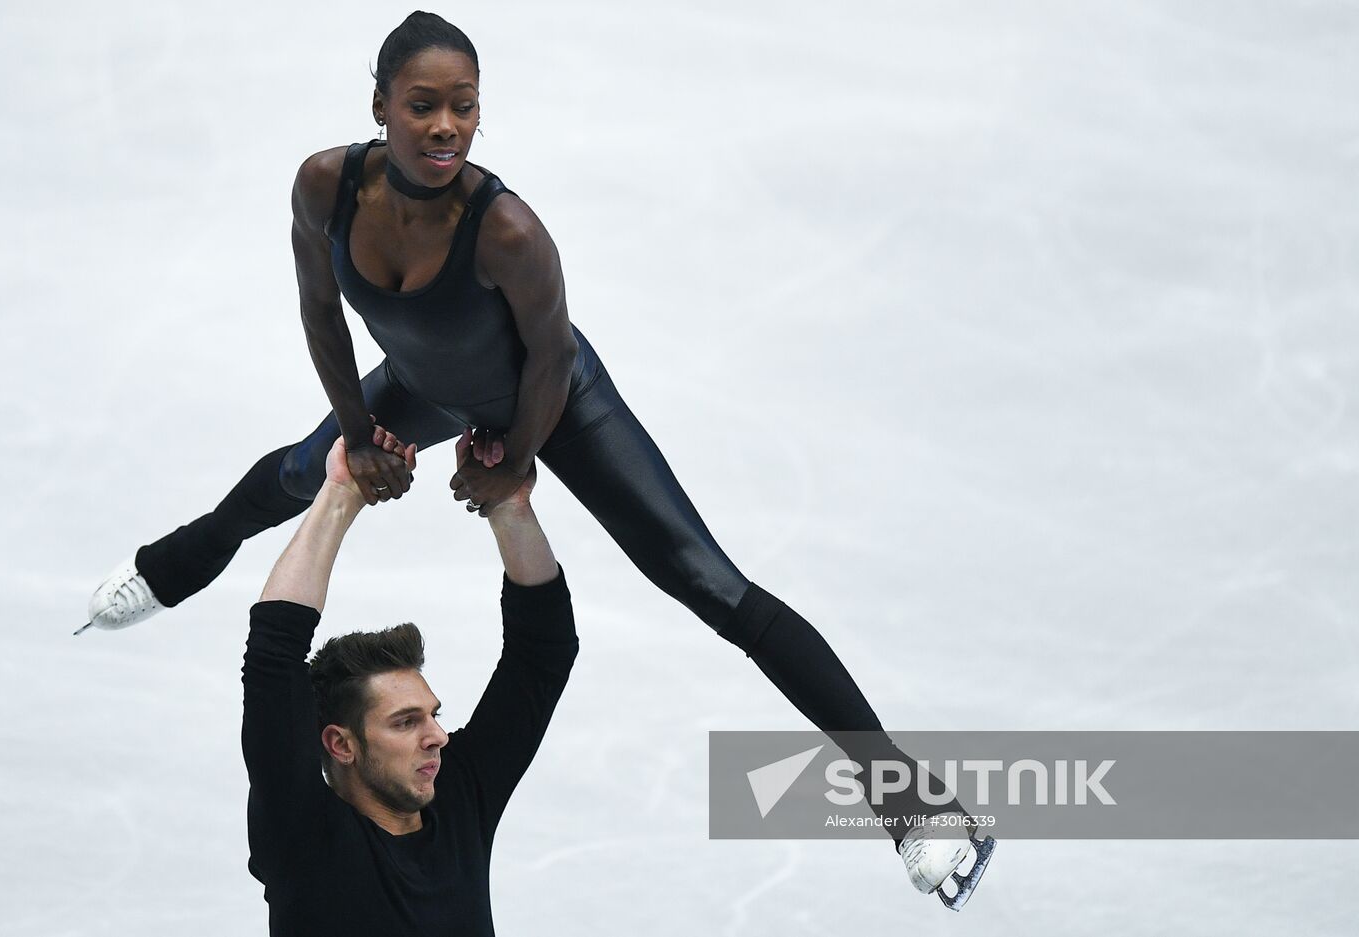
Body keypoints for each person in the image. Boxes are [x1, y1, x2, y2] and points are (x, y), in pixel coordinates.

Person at [79, 11, 992, 907]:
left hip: (555, 398)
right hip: (423, 382)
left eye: (465, 106)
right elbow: (320, 312)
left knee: (704, 579)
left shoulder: (507, 229)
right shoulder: (325, 185)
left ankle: (913, 804)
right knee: (297, 475)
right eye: (423, 106)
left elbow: (550, 357)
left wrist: (512, 460)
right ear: (380, 106)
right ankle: (168, 567)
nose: (446, 126)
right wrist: (357, 431)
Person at [245, 426, 577, 935]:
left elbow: (542, 655)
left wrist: (510, 507)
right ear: (341, 744)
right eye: (405, 722)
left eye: (432, 716)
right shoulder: (303, 837)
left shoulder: (457, 799)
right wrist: (339, 497)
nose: (438, 736)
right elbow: (273, 655)